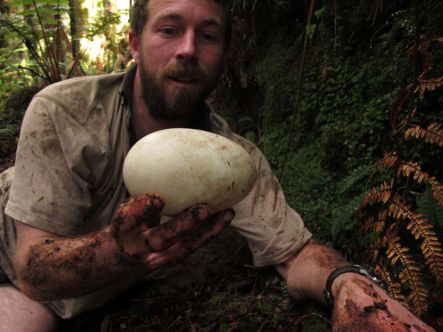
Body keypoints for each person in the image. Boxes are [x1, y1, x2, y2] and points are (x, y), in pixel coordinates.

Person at [0, 0, 435, 331]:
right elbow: (33, 270)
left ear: (224, 52)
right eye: (169, 30)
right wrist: (120, 248)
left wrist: (346, 285)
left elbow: (294, 253)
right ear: (134, 43)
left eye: (207, 36)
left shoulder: (229, 160)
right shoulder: (65, 112)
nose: (188, 50)